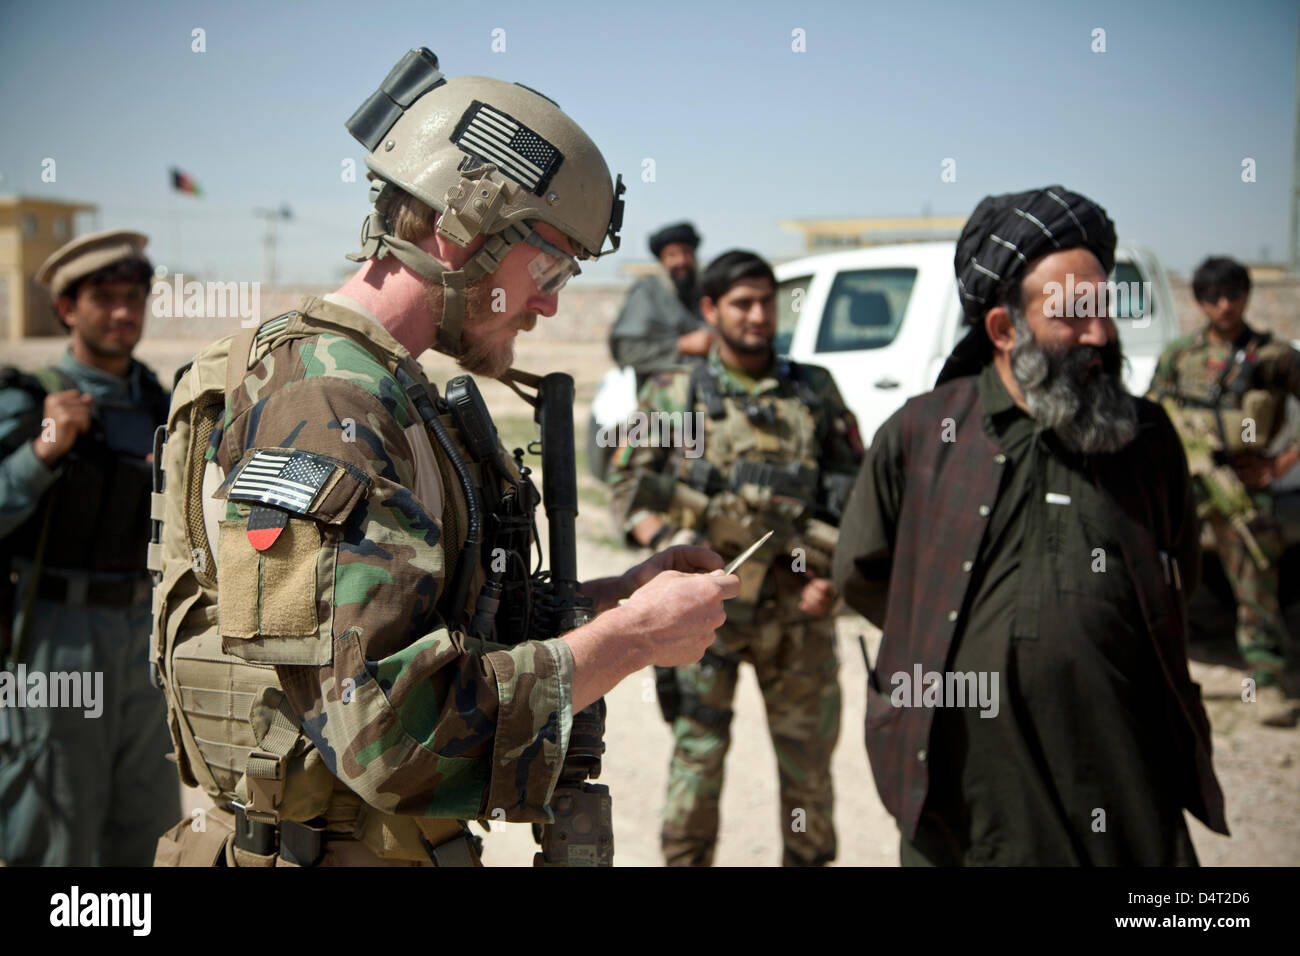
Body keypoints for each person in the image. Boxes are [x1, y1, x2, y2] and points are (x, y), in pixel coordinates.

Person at [150, 50, 738, 868]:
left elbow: (428, 618)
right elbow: (388, 735)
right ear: (465, 234)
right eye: (553, 264)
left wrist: (615, 599)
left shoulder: (389, 390)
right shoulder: (326, 405)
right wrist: (634, 639)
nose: (551, 301)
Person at [832, 186, 1229, 866]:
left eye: (1104, 309)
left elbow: (1176, 581)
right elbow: (865, 575)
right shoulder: (924, 434)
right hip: (967, 801)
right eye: (1073, 315)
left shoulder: (1149, 441)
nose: (1099, 335)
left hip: (1122, 788)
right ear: (1003, 329)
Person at [607, 249, 863, 866]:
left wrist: (830, 580)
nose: (756, 315)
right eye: (742, 303)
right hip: (704, 618)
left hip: (797, 616)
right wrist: (668, 556)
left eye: (766, 302)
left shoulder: (813, 390)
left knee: (808, 771)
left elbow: (855, 493)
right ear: (710, 309)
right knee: (698, 757)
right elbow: (626, 485)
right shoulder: (674, 393)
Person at [0, 229, 179, 865]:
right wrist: (45, 448)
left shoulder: (165, 406)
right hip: (54, 638)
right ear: (67, 309)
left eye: (135, 296)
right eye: (105, 298)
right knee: (55, 822)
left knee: (147, 821)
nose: (124, 312)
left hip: (143, 638)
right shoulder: (28, 398)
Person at [1148, 256, 1299, 727]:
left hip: (1239, 481)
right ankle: (1157, 678)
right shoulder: (1179, 354)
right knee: (1155, 574)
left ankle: (1267, 683)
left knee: (1255, 579)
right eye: (1214, 297)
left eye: (1233, 295)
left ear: (1247, 297)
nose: (1225, 306)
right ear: (1199, 302)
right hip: (1185, 481)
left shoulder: (1272, 355)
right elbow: (1152, 410)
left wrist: (1280, 463)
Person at [608, 221, 714, 387]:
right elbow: (627, 351)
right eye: (672, 255)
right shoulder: (646, 293)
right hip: (661, 405)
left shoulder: (705, 291)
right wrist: (682, 346)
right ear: (662, 260)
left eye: (687, 253)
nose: (682, 261)